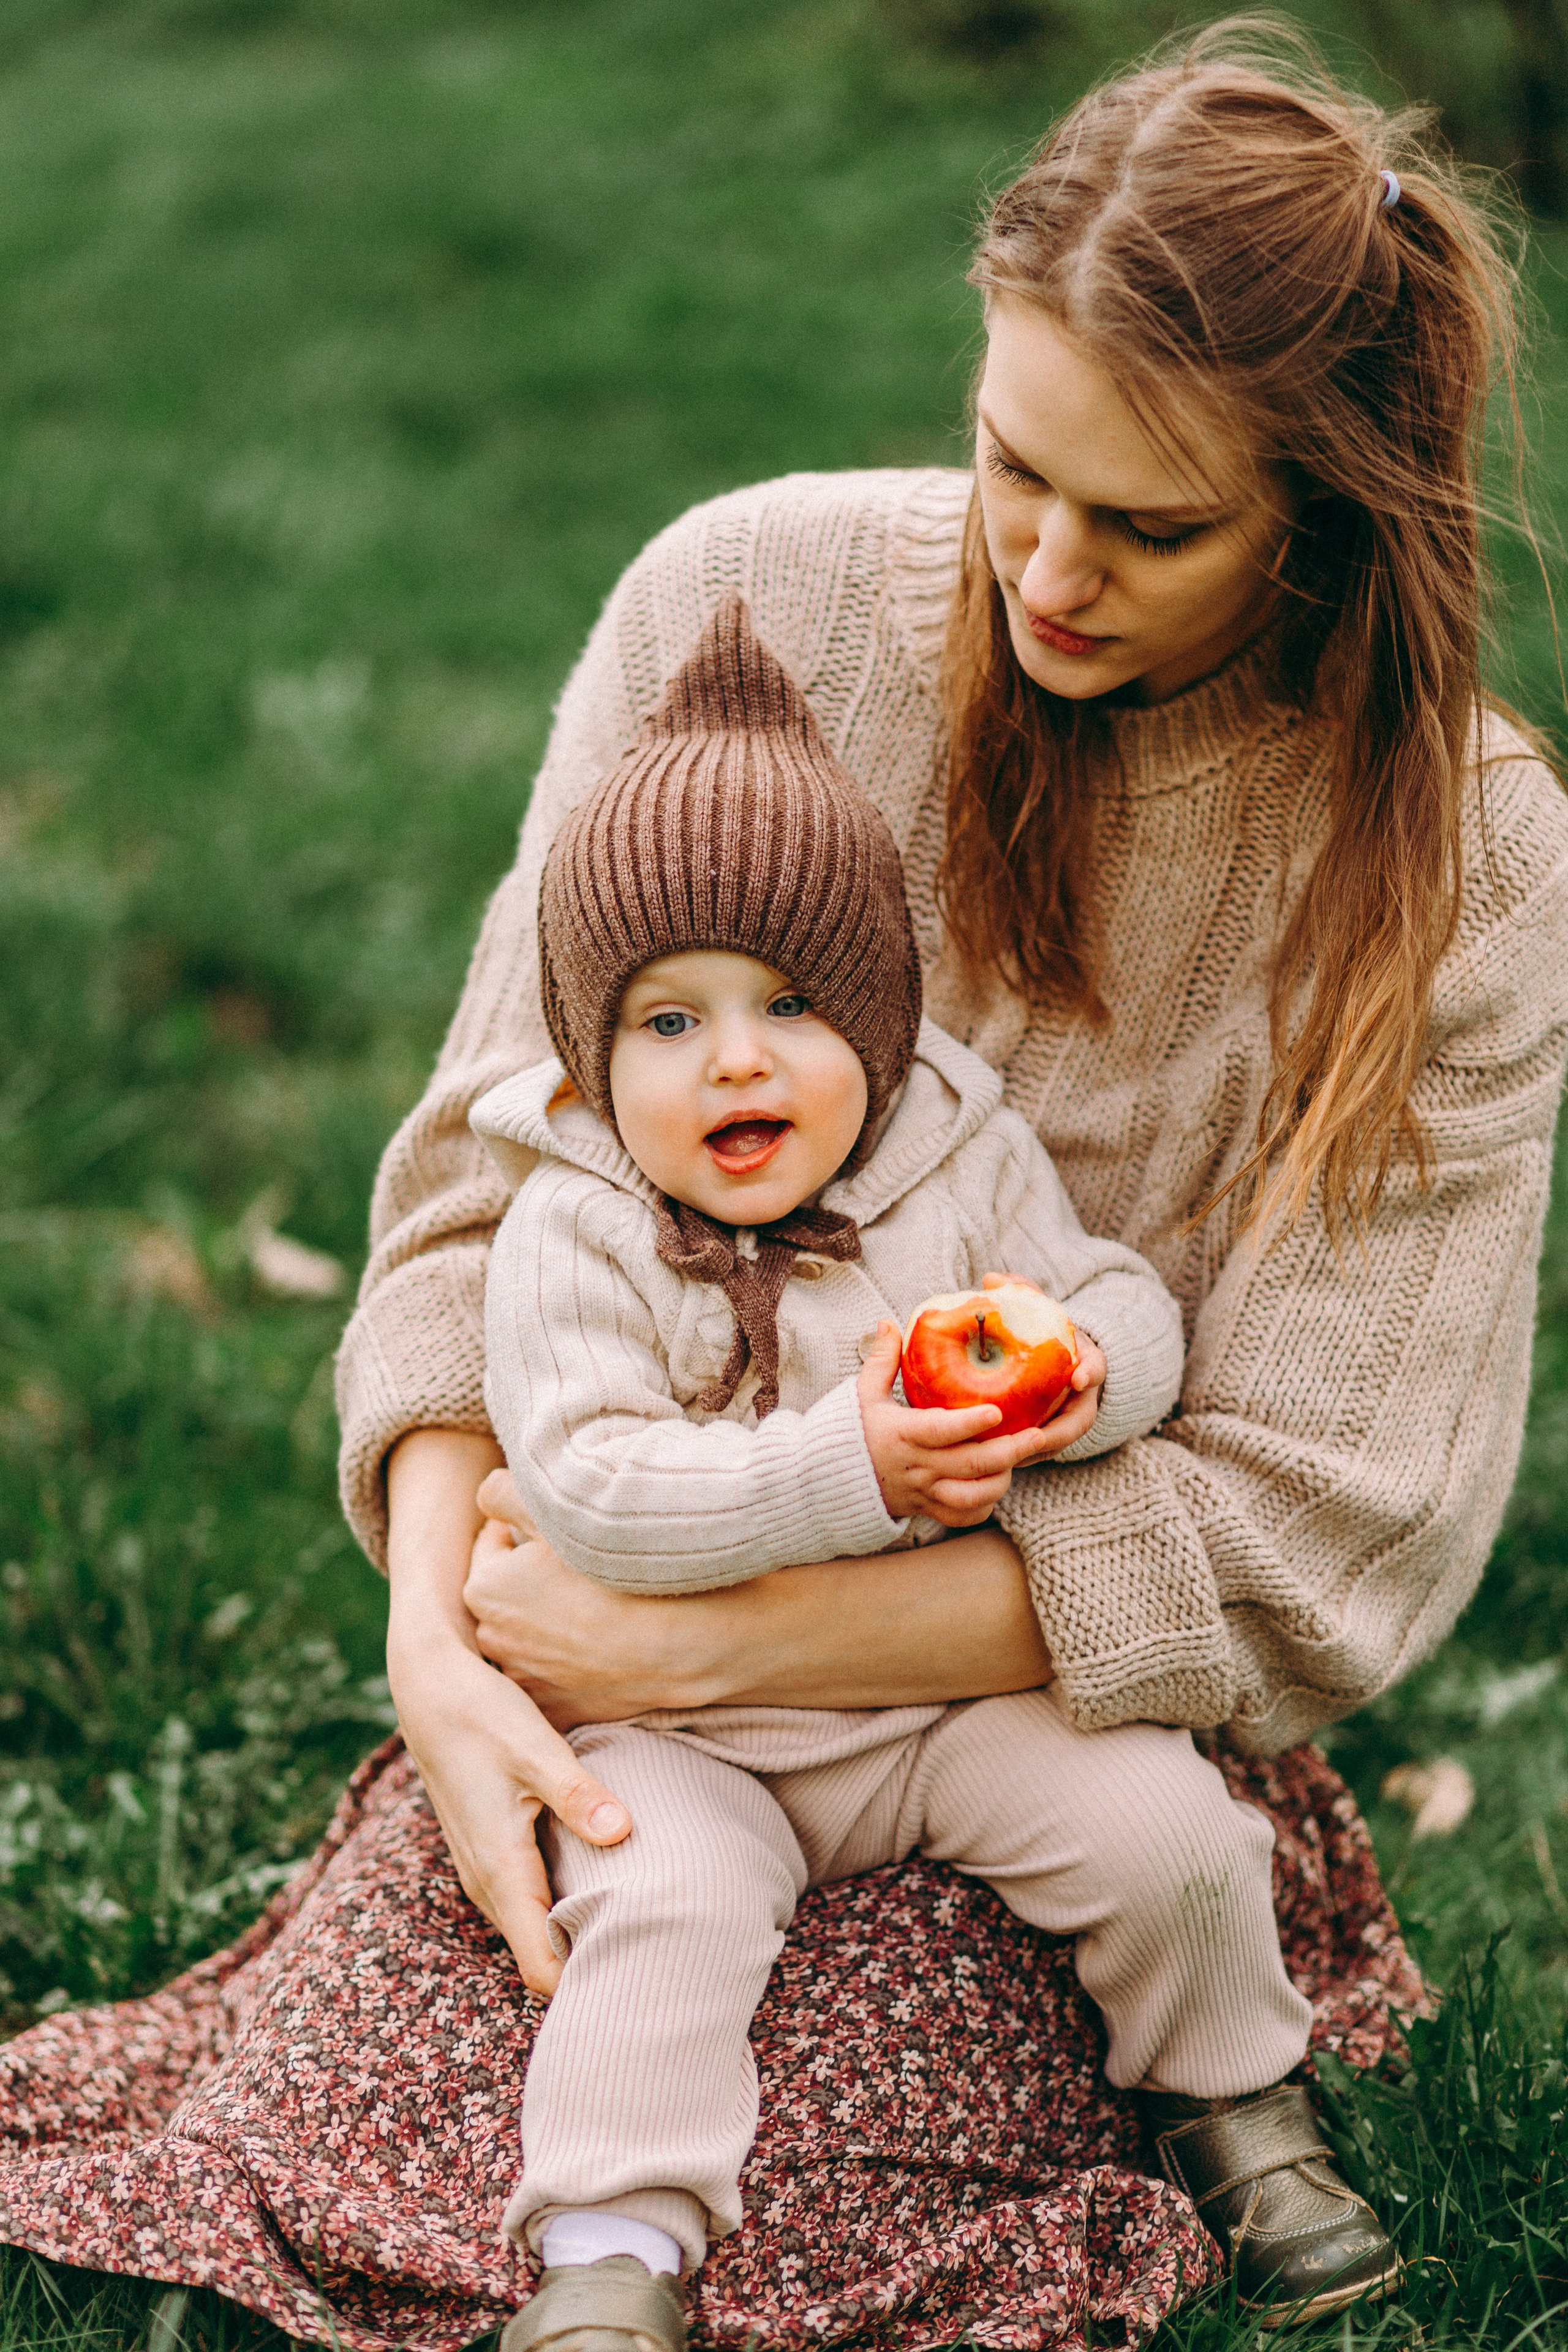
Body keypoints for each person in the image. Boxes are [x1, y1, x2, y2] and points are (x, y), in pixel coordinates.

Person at [334, 21, 1568, 2342]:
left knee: (918, 2140)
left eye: (1159, 524)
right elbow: (476, 1185)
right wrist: (450, 1653)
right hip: (594, 1682)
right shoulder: (750, 610)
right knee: (445, 2072)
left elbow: (1318, 1527)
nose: (1053, 570)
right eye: (1016, 463)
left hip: (1062, 1707)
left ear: (1340, 506)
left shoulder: (1473, 866)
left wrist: (713, 1624)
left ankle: (1226, 2113)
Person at [469, 594, 1384, 2344]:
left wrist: (1088, 1373)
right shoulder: (572, 1228)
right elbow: (593, 1488)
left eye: (794, 1003)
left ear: (878, 1021)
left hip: (948, 1709)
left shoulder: (952, 1151)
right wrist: (854, 1468)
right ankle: (610, 2253)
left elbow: (1104, 1295)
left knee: (1167, 1832)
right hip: (686, 1733)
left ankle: (1239, 2105)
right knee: (651, 1913)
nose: (737, 1055)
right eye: (668, 1023)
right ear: (593, 1057)